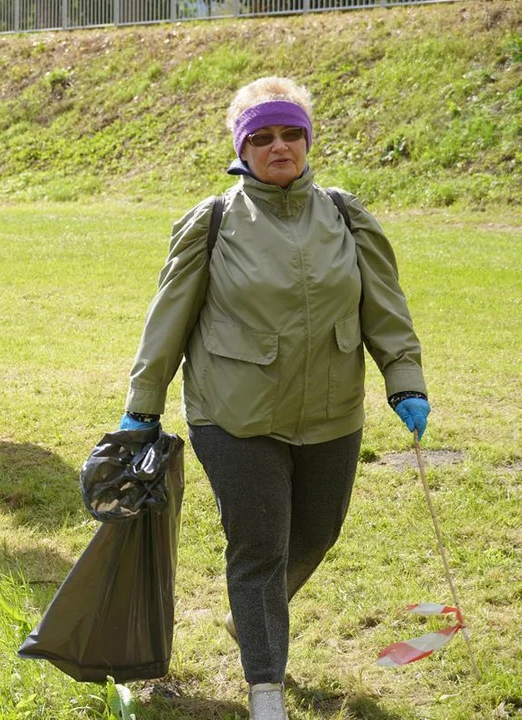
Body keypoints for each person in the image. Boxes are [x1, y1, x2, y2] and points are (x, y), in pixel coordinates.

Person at [120, 77, 430, 720]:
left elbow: (386, 310)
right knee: (259, 547)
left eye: (291, 133)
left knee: (318, 530)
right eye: (262, 136)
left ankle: (252, 616)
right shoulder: (214, 221)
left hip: (331, 411)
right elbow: (168, 317)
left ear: (308, 139)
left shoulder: (346, 215)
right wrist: (144, 401)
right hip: (235, 415)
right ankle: (266, 689)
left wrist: (404, 378)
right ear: (242, 147)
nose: (279, 146)